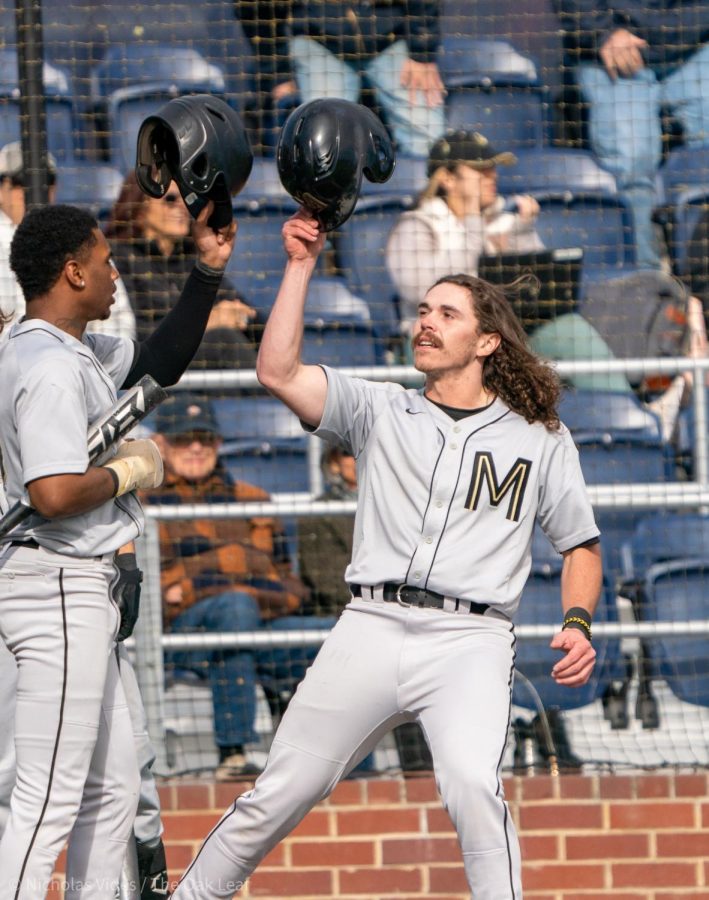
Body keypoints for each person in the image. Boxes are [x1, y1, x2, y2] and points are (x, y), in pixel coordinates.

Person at [171, 207, 601, 900]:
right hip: (371, 625)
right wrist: (301, 266)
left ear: (487, 340)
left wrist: (577, 621)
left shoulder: (539, 437)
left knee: (470, 787)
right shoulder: (380, 408)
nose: (425, 322)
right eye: (423, 310)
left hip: (470, 638)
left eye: (447, 314)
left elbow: (580, 544)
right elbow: (276, 370)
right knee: (281, 790)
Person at [0, 199, 235, 897]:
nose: (114, 276)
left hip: (75, 586)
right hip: (58, 584)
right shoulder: (46, 365)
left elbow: (161, 358)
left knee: (109, 792)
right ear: (72, 272)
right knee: (46, 801)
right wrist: (126, 471)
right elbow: (52, 492)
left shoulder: (67, 348)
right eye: (104, 264)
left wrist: (206, 271)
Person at [385, 128, 703, 437]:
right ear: (447, 179)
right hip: (441, 343)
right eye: (480, 170)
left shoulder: (503, 218)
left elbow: (540, 287)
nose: (492, 175)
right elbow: (423, 292)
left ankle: (641, 420)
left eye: (493, 168)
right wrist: (472, 226)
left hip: (505, 336)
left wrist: (521, 234)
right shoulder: (417, 225)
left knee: (570, 329)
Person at [144, 392, 336, 781]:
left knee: (334, 637)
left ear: (219, 443)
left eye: (206, 437)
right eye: (184, 439)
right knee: (234, 607)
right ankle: (233, 752)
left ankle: (347, 768)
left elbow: (289, 584)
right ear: (161, 445)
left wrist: (196, 580)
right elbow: (150, 592)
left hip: (253, 622)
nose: (196, 447)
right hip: (179, 637)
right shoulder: (145, 505)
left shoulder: (254, 499)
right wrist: (240, 571)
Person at [556, 0, 709, 270]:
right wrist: (604, 31)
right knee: (633, 156)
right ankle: (646, 281)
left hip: (691, 47)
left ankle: (700, 273)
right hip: (613, 50)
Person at [234, 1, 446, 157]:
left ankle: (424, 213)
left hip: (392, 35)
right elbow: (254, 9)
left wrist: (422, 51)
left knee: (427, 137)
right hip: (318, 39)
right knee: (322, 141)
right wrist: (278, 72)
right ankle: (330, 211)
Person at [105, 171, 261, 372]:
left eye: (187, 198)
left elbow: (249, 314)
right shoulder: (118, 257)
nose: (182, 206)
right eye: (170, 199)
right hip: (151, 364)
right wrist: (210, 321)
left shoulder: (191, 258)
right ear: (140, 205)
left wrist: (242, 315)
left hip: (200, 367)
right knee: (224, 340)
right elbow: (132, 334)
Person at [0, 140, 136, 341]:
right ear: (2, 188)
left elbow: (120, 321)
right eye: (22, 181)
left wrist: (81, 358)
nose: (35, 189)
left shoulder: (77, 237)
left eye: (46, 179)